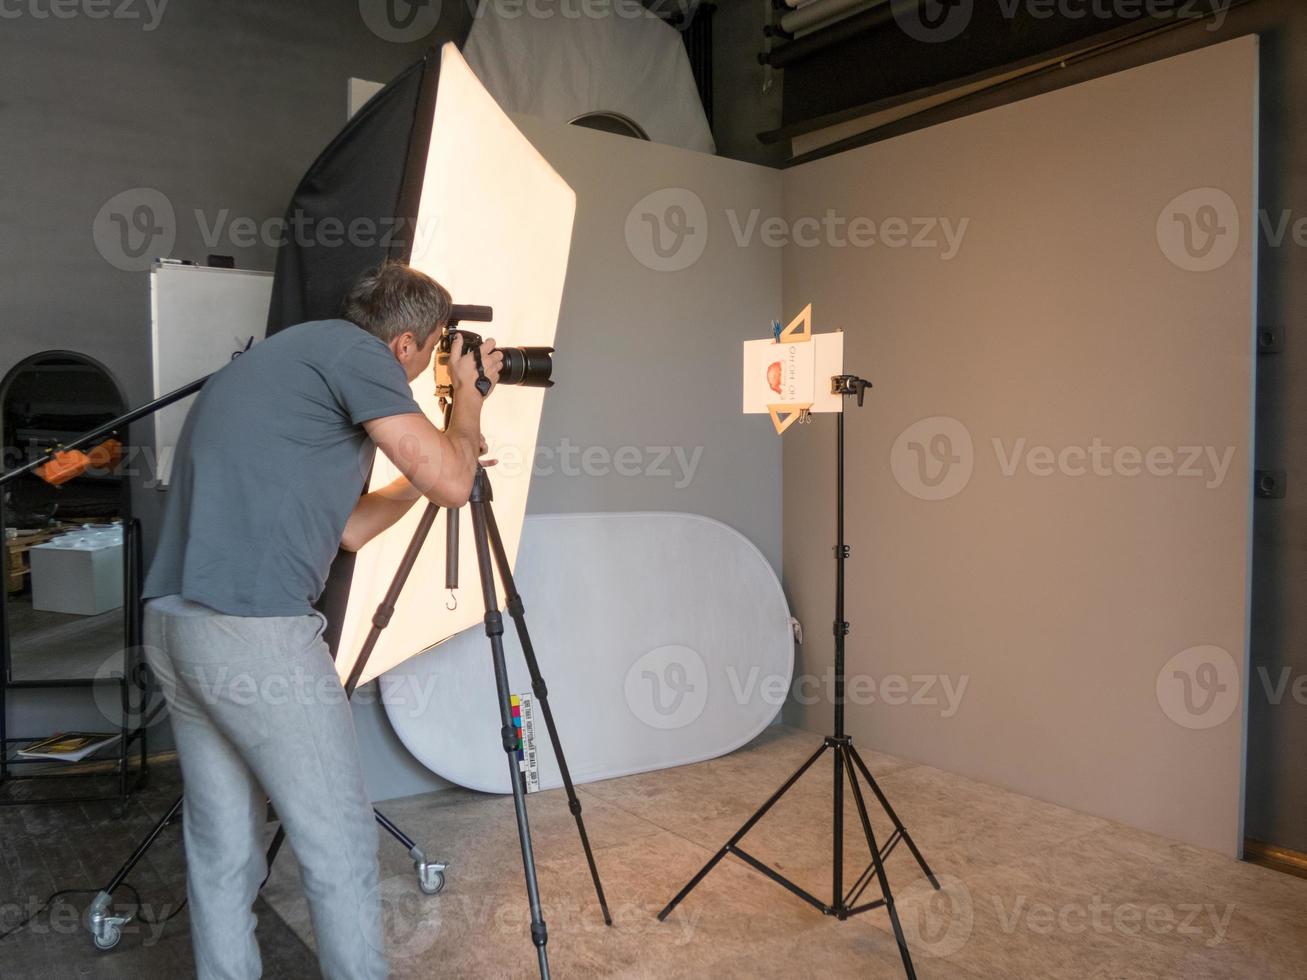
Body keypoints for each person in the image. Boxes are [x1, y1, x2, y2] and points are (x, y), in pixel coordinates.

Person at [140, 261, 502, 980]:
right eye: (431, 352)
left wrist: (411, 484)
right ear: (404, 343)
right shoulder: (358, 356)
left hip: (178, 628)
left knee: (222, 851)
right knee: (337, 845)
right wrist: (467, 400)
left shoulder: (280, 360)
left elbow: (349, 531)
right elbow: (456, 481)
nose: (426, 366)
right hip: (254, 638)